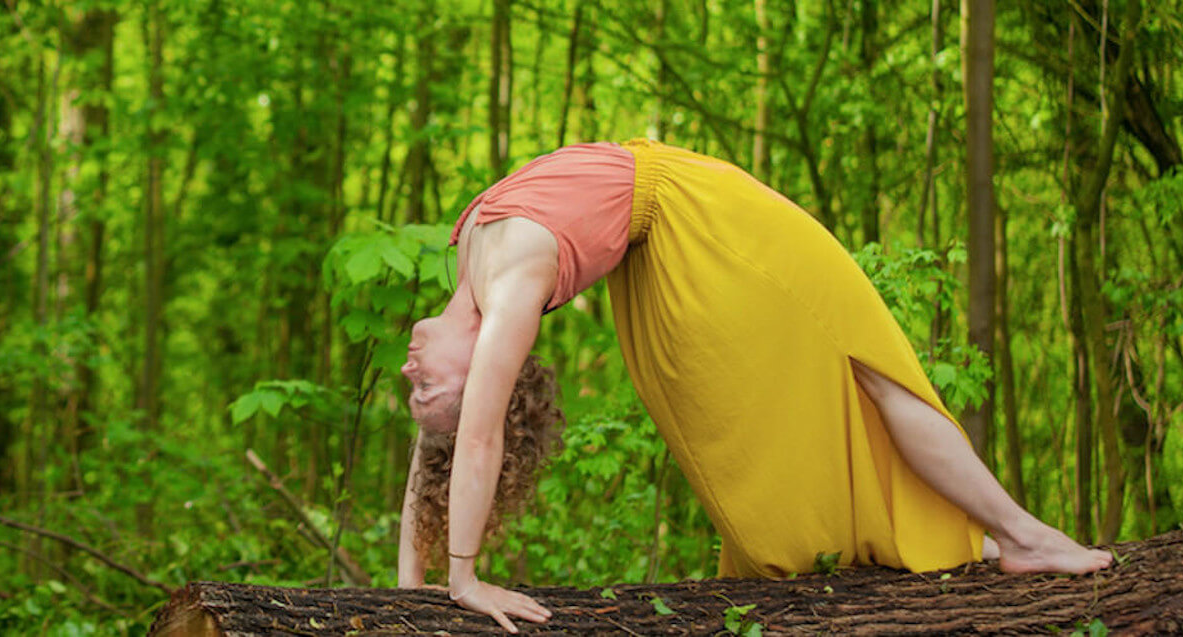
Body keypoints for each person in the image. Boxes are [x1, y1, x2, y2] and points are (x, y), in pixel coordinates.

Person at [393, 139, 1113, 633]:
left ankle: (997, 534)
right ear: (488, 366)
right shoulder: (510, 286)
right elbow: (476, 434)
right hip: (693, 234)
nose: (408, 374)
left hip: (687, 214)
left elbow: (443, 452)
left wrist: (413, 581)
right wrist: (465, 580)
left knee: (852, 362)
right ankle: (1019, 536)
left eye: (415, 392)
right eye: (426, 394)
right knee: (860, 358)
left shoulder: (475, 268)